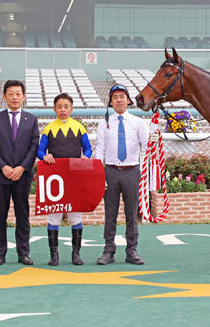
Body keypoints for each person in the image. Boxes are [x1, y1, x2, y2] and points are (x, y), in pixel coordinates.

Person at [0, 80, 39, 266]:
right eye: (11, 94)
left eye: (18, 94)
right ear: (4, 97)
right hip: (1, 176)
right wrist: (4, 167)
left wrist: (22, 167)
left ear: (23, 97)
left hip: (22, 176)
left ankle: (23, 253)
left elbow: (34, 146)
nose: (14, 97)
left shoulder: (31, 119)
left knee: (22, 215)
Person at [95, 84, 148, 265]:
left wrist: (155, 140)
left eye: (122, 96)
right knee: (110, 213)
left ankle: (131, 250)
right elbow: (99, 148)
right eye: (115, 97)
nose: (119, 100)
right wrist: (97, 171)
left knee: (132, 213)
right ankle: (108, 250)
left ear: (128, 100)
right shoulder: (104, 123)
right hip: (110, 171)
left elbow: (147, 146)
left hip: (131, 171)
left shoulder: (138, 122)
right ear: (110, 101)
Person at [37, 93, 92, 266]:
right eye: (59, 106)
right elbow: (40, 151)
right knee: (54, 218)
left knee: (76, 217)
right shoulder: (48, 128)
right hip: (55, 179)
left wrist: (85, 157)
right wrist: (45, 157)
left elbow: (88, 148)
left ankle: (76, 254)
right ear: (54, 109)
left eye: (66, 106)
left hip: (74, 178)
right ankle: (54, 255)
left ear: (71, 108)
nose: (63, 109)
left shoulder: (79, 127)